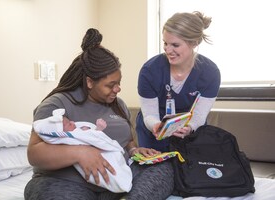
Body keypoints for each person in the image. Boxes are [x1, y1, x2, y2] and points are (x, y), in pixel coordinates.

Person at [24, 28, 175, 200]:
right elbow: (34, 154)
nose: (117, 89)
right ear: (89, 82)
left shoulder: (119, 105)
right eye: (111, 85)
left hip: (116, 182)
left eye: (118, 83)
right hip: (67, 182)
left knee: (164, 168)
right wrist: (80, 153)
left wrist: (135, 151)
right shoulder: (58, 104)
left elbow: (127, 142)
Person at [136, 11, 221, 152]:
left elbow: (200, 115)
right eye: (165, 43)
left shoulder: (210, 72)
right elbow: (149, 114)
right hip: (155, 131)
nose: (168, 50)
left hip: (189, 131)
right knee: (153, 172)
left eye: (175, 45)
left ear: (195, 42)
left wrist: (190, 127)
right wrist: (156, 125)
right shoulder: (150, 71)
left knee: (187, 171)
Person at [33, 108, 133, 193]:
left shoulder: (119, 104)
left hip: (123, 161)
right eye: (68, 124)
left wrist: (133, 149)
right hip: (73, 185)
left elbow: (92, 138)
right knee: (115, 175)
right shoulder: (69, 138)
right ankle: (121, 183)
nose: (73, 122)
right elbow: (92, 141)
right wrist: (82, 150)